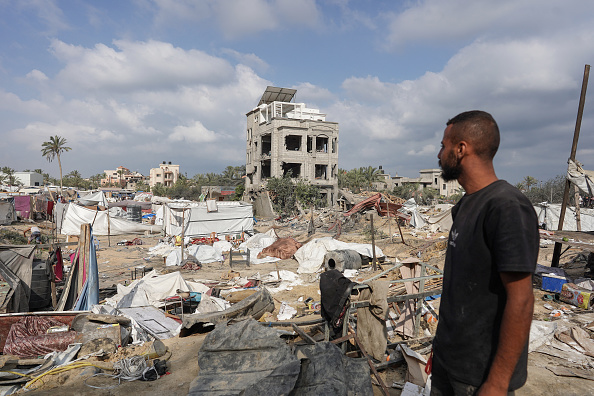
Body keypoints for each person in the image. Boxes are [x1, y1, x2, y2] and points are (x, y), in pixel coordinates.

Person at [431, 111, 538, 396]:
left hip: (479, 377)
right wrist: (439, 351)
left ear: (461, 149)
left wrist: (498, 382)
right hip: (448, 364)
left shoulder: (506, 207)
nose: (439, 155)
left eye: (443, 146)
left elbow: (522, 298)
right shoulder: (466, 205)